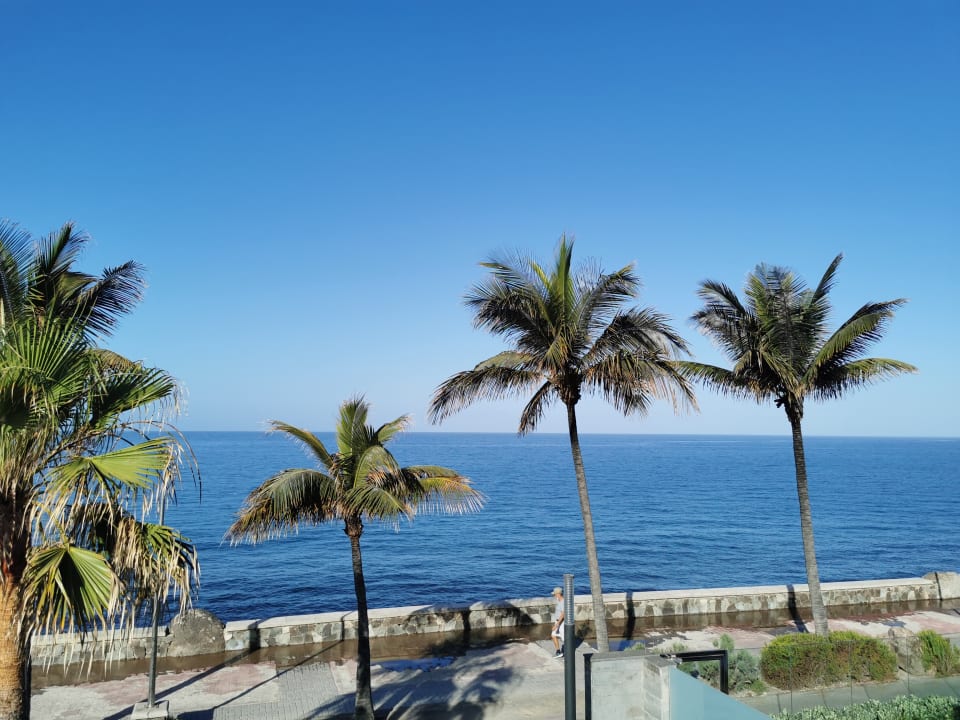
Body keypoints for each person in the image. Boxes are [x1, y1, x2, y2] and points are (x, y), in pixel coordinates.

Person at [551, 586, 565, 657]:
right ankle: (558, 651)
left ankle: (566, 652)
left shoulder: (562, 602)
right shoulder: (558, 600)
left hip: (561, 622)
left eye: (555, 594)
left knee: (564, 638)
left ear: (558, 594)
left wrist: (556, 625)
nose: (554, 595)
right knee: (553, 635)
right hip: (558, 622)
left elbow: (563, 614)